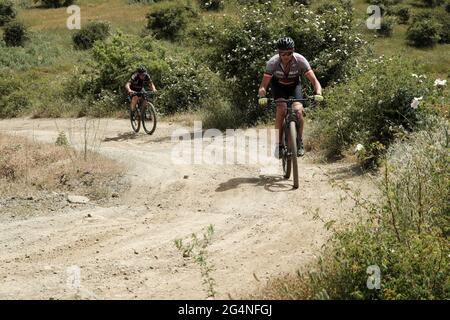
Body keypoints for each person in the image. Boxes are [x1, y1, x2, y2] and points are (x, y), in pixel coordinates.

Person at [258, 37, 322, 157]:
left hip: (294, 86)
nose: (286, 56)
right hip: (278, 87)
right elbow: (263, 86)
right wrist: (262, 95)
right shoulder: (272, 63)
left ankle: (299, 141)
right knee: (281, 109)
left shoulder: (300, 60)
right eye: (283, 54)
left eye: (289, 53)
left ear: (293, 51)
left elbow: (314, 81)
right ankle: (279, 145)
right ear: (278, 53)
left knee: (298, 111)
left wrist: (318, 93)